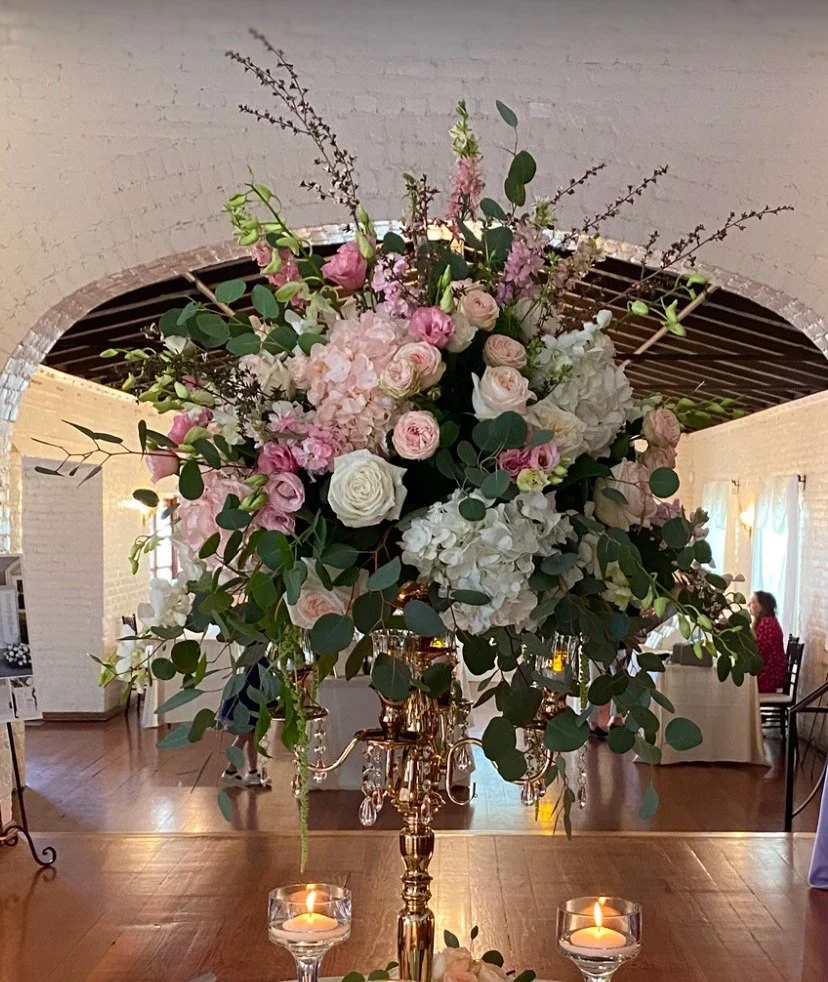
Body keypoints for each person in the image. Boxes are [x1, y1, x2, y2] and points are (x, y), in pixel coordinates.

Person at [218, 657, 272, 789]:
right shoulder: (260, 661)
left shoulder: (254, 658)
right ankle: (231, 772)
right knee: (245, 737)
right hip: (246, 705)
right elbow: (258, 684)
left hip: (244, 704)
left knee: (249, 738)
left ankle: (251, 772)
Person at [748, 591, 787, 693]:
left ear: (762, 605)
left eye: (752, 602)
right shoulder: (767, 621)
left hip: (768, 677)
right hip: (770, 673)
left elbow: (758, 652)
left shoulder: (767, 624)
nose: (749, 605)